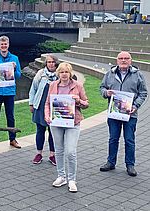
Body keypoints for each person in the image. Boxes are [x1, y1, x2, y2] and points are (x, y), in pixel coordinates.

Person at [99, 51, 147, 177]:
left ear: (131, 60)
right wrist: (106, 93)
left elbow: (143, 93)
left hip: (130, 114)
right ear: (117, 60)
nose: (123, 60)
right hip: (114, 114)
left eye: (126, 58)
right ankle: (110, 162)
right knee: (113, 139)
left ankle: (130, 165)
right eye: (121, 58)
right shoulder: (110, 74)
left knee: (129, 140)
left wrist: (136, 106)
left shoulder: (138, 75)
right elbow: (102, 88)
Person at [44, 62, 89, 193]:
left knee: (70, 152)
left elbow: (86, 103)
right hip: (56, 123)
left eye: (66, 72)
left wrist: (78, 101)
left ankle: (72, 179)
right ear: (58, 73)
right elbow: (47, 103)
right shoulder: (52, 85)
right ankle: (61, 176)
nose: (64, 74)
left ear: (70, 73)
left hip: (72, 123)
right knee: (58, 150)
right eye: (62, 72)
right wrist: (47, 116)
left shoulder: (77, 86)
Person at [28, 55, 59, 165]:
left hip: (54, 107)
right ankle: (39, 153)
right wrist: (31, 103)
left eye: (52, 62)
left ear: (56, 63)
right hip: (40, 106)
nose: (51, 64)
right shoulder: (41, 74)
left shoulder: (59, 75)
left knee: (53, 132)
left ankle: (52, 154)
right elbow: (33, 89)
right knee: (40, 130)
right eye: (48, 62)